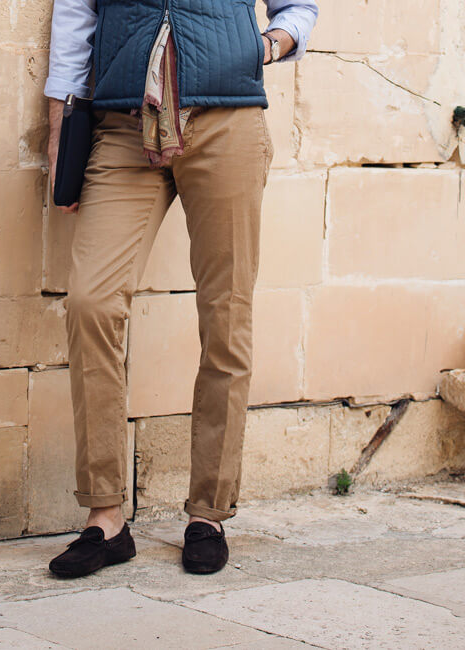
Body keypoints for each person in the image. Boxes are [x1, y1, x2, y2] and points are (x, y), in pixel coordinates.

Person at [44, 0, 318, 578]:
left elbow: (299, 7)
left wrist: (267, 46)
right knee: (91, 301)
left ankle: (208, 513)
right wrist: (58, 127)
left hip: (227, 122)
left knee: (226, 314)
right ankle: (105, 516)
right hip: (122, 127)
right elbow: (75, 14)